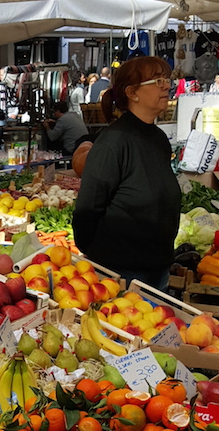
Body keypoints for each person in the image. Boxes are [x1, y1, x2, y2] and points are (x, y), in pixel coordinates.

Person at [72, 56, 180, 291]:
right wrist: (101, 256)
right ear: (133, 93)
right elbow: (88, 209)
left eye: (167, 79)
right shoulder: (114, 142)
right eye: (158, 80)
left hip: (158, 266)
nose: (166, 85)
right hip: (122, 272)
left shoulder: (158, 139)